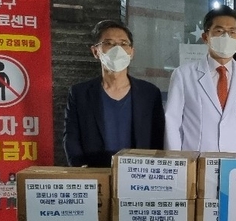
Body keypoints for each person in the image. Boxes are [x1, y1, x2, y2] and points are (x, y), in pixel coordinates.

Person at [64, 20, 165, 167]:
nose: (117, 49)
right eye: (109, 43)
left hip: (139, 172)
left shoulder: (149, 94)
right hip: (95, 172)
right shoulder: (80, 94)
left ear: (132, 52)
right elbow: (71, 137)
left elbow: (158, 136)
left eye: (123, 44)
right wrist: (80, 169)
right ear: (95, 51)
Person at [164, 6, 236, 153]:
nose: (226, 37)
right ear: (205, 37)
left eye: (232, 32)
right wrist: (177, 161)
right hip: (196, 160)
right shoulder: (183, 75)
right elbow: (172, 122)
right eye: (219, 31)